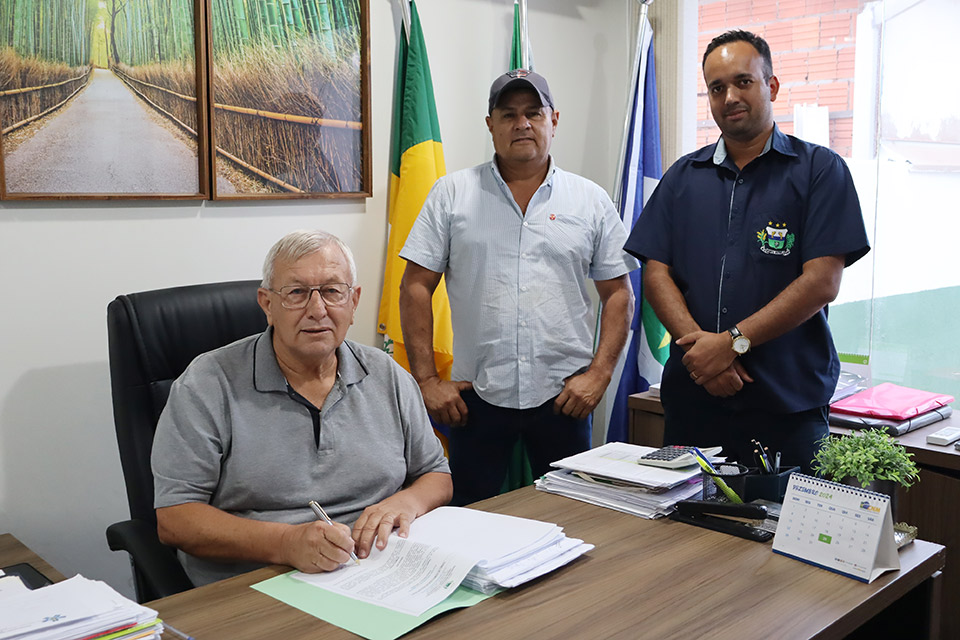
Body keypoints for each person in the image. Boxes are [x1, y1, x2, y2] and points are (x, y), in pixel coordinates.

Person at [624, 30, 870, 474]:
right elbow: (656, 270)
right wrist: (705, 358)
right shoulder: (683, 177)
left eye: (743, 82)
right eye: (717, 88)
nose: (730, 96)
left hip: (786, 407)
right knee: (684, 537)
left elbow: (821, 282)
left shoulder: (819, 170)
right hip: (694, 401)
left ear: (771, 86)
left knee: (786, 538)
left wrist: (732, 343)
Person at [152, 230, 452, 586]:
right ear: (267, 304)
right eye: (296, 293)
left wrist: (407, 503)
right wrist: (286, 543)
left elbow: (436, 474)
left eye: (332, 291)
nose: (317, 310)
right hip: (255, 581)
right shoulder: (207, 384)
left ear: (353, 301)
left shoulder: (386, 374)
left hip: (375, 570)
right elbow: (174, 519)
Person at [399, 69, 638, 505]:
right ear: (490, 124)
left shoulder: (590, 200)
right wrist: (426, 380)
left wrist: (600, 374)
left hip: (565, 397)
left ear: (554, 120)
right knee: (469, 517)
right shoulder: (451, 195)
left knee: (572, 518)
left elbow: (618, 292)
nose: (521, 123)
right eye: (508, 114)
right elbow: (416, 285)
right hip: (476, 400)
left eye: (533, 112)